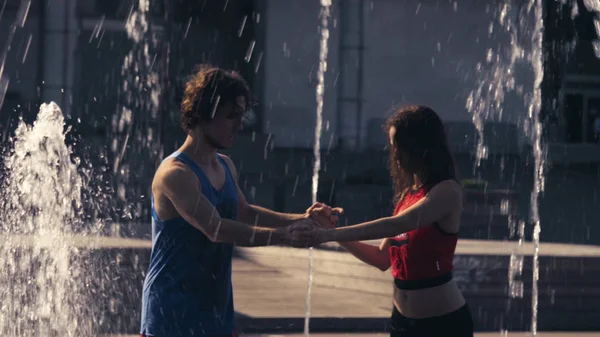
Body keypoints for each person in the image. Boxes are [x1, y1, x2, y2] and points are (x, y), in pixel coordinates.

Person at [140, 65, 331, 337]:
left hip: (217, 312)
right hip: (172, 314)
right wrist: (284, 236)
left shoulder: (225, 165)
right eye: (232, 116)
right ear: (204, 113)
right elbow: (216, 229)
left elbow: (244, 212)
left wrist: (303, 219)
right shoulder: (175, 174)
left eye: (243, 116)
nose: (240, 125)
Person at [298, 105, 474, 337]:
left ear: (422, 148)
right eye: (393, 147)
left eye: (401, 147)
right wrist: (335, 230)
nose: (396, 155)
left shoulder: (446, 191)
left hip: (442, 324)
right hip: (402, 322)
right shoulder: (407, 196)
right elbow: (382, 259)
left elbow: (399, 224)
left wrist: (329, 235)